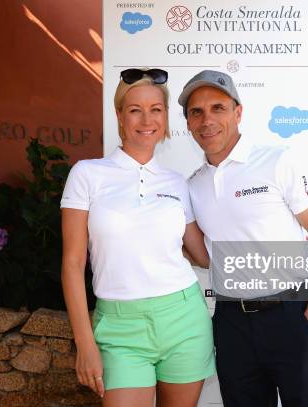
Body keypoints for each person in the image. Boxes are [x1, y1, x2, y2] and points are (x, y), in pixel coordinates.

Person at [178, 70, 308, 407]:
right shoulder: (191, 186)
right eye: (197, 112)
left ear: (238, 112)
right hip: (231, 323)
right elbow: (202, 254)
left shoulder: (278, 161)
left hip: (294, 314)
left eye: (218, 108)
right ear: (189, 124)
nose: (207, 120)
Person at [61, 68, 216, 407]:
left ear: (165, 117)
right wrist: (85, 343)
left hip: (184, 320)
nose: (147, 119)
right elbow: (72, 265)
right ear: (119, 115)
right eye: (135, 110)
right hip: (118, 330)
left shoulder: (178, 183)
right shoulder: (87, 174)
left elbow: (202, 255)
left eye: (155, 109)